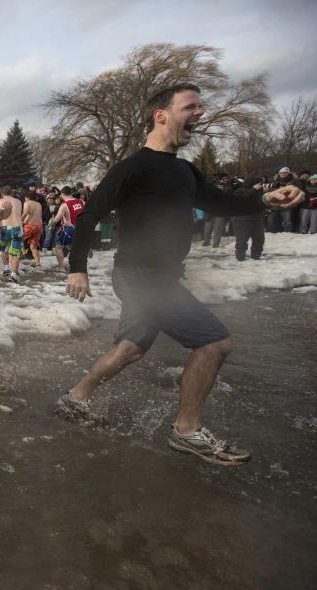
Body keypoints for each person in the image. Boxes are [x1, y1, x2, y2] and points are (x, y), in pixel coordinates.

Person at [59, 83, 304, 465]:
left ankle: (75, 397)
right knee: (214, 343)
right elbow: (90, 215)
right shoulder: (133, 167)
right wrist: (78, 269)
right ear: (162, 115)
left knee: (130, 349)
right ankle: (187, 431)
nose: (201, 113)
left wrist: (264, 199)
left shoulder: (185, 170)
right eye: (191, 107)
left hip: (162, 276)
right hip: (140, 276)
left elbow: (219, 202)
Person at [48, 186, 84, 270]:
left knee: (58, 247)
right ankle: (77, 264)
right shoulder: (81, 201)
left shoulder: (65, 205)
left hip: (70, 228)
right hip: (81, 228)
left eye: (61, 195)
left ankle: (61, 267)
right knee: (71, 246)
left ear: (63, 194)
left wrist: (50, 223)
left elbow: (56, 219)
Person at [0, 186, 25, 282]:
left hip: (5, 228)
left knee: (4, 249)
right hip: (17, 228)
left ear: (2, 194)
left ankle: (6, 268)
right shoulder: (18, 201)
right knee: (15, 252)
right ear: (11, 193)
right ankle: (14, 274)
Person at [232, 179, 267, 261]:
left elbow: (261, 204)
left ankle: (256, 254)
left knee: (259, 238)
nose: (260, 185)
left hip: (256, 218)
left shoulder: (259, 192)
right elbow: (240, 199)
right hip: (241, 219)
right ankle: (240, 256)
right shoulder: (240, 190)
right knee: (242, 239)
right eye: (259, 183)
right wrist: (253, 190)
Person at [21, 191, 44, 267]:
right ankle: (37, 262)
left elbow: (25, 213)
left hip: (29, 226)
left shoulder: (27, 203)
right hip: (38, 226)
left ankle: (24, 254)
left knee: (18, 239)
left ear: (27, 197)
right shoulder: (39, 204)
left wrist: (19, 221)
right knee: (33, 246)